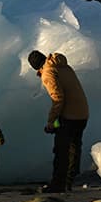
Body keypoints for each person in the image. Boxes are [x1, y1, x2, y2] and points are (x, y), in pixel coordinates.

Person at [27, 50, 89, 192]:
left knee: (61, 151)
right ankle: (69, 181)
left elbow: (58, 98)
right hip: (82, 113)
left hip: (69, 116)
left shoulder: (48, 72)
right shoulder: (62, 66)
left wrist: (51, 122)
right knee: (74, 147)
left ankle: (58, 184)